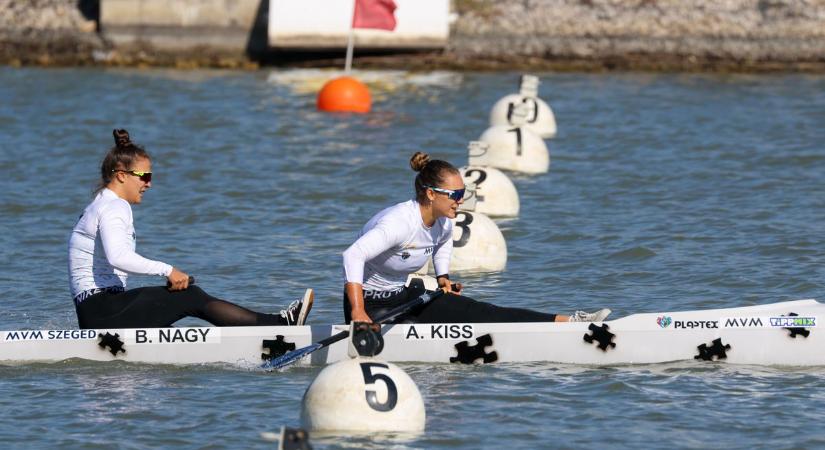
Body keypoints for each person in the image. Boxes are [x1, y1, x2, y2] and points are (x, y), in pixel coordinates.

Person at [68, 129, 312, 329]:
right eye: (144, 176)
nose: (149, 183)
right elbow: (118, 257)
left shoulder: (99, 204)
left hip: (100, 311)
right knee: (190, 296)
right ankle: (278, 325)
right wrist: (168, 270)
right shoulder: (114, 207)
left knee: (173, 306)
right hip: (103, 313)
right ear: (121, 175)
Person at [342, 151, 611, 324]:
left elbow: (442, 244)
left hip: (404, 296)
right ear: (431, 194)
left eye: (463, 194)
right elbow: (353, 254)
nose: (460, 201)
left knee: (482, 312)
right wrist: (357, 311)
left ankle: (570, 322)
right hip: (371, 308)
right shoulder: (399, 223)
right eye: (455, 195)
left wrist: (442, 278)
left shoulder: (444, 221)